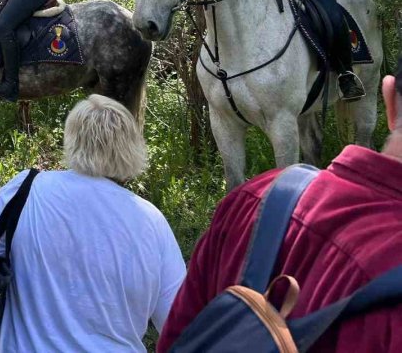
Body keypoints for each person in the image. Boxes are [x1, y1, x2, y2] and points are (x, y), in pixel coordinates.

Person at [158, 55, 402, 352]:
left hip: (307, 3)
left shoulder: (251, 199)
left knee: (333, 13)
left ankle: (345, 75)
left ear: (389, 97)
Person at [0, 94, 186, 352]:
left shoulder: (26, 189)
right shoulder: (152, 221)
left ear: (71, 139)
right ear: (131, 147)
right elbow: (178, 325)